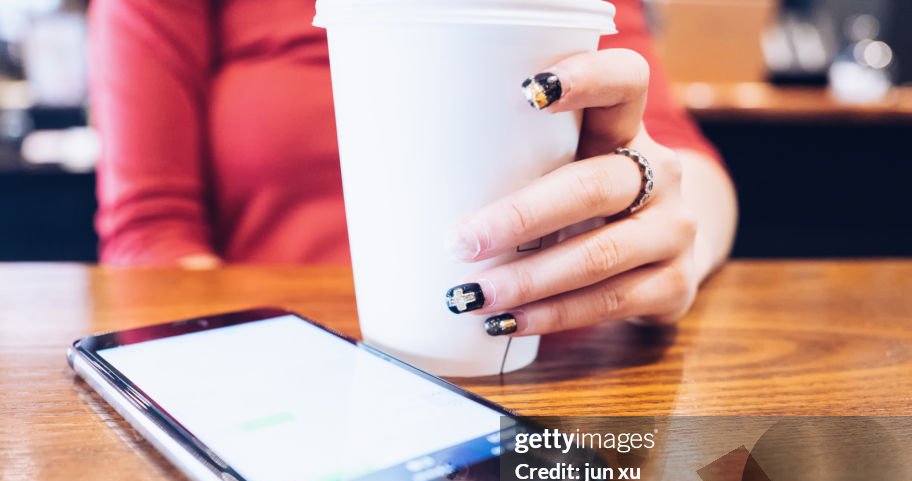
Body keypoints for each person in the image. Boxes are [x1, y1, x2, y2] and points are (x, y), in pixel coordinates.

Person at [89, 0, 736, 335]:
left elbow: (682, 160)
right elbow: (152, 233)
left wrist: (672, 238)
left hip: (547, 381)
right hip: (277, 381)